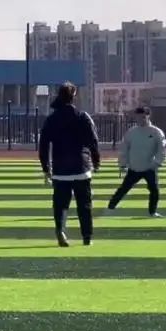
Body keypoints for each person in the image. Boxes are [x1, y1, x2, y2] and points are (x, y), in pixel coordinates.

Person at [38, 82, 100, 247]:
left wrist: (46, 168)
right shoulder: (82, 116)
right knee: (84, 205)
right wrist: (96, 161)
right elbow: (93, 141)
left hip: (60, 169)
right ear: (74, 97)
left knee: (60, 205)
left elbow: (43, 145)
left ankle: (60, 229)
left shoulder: (51, 119)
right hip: (81, 167)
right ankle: (87, 237)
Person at [106, 106, 166, 217]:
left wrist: (157, 162)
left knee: (154, 190)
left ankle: (152, 212)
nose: (140, 120)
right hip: (134, 167)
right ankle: (110, 208)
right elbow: (124, 149)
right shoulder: (131, 132)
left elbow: (163, 149)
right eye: (138, 117)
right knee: (123, 189)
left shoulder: (156, 132)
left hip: (149, 167)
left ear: (148, 116)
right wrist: (122, 164)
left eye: (143, 117)